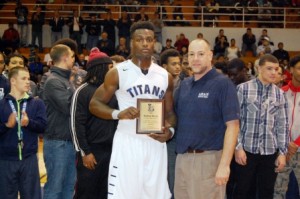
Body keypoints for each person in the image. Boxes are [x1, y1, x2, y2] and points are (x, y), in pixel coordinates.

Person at [89, 21, 176, 199]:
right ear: (131, 42)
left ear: (155, 43)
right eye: (140, 39)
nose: (145, 43)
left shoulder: (164, 76)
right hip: (127, 142)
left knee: (156, 195)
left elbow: (170, 114)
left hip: (155, 144)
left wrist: (170, 132)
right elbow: (94, 104)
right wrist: (117, 114)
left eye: (149, 39)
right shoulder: (118, 72)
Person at [174, 39, 240, 199]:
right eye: (191, 54)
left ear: (210, 56)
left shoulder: (223, 84)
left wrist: (224, 165)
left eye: (201, 54)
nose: (195, 58)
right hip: (182, 159)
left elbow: (233, 126)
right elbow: (176, 119)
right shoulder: (184, 85)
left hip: (208, 161)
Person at [234, 54, 289, 199]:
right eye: (269, 68)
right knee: (243, 191)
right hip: (246, 151)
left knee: (266, 192)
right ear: (258, 68)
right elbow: (234, 121)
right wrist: (238, 147)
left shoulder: (279, 94)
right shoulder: (242, 89)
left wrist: (283, 153)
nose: (273, 72)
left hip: (270, 152)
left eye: (276, 69)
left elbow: (282, 125)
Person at [71, 47, 118, 199]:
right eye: (110, 68)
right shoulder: (82, 91)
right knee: (87, 192)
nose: (113, 72)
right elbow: (76, 124)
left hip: (111, 151)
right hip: (91, 152)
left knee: (106, 192)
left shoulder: (113, 90)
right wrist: (85, 152)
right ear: (100, 69)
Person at [0, 66, 47, 199]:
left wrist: (29, 123)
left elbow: (43, 127)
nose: (28, 81)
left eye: (29, 78)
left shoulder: (37, 103)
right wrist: (6, 126)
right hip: (5, 160)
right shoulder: (1, 105)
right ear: (13, 81)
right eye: (24, 78)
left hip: (29, 159)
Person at [43, 44, 76, 199]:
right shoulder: (53, 81)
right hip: (57, 142)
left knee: (69, 187)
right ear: (64, 58)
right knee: (55, 188)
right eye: (72, 56)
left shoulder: (65, 80)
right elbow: (70, 107)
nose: (74, 60)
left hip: (68, 141)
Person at [274, 55, 300, 199]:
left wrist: (296, 143)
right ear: (291, 70)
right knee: (278, 191)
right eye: (299, 68)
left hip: (298, 148)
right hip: (283, 152)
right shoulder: (280, 93)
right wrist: (285, 144)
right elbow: (274, 121)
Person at [160, 49, 182, 199]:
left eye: (179, 63)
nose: (178, 67)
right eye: (173, 64)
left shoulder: (187, 84)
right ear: (164, 66)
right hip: (158, 135)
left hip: (177, 137)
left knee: (174, 177)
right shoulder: (157, 84)